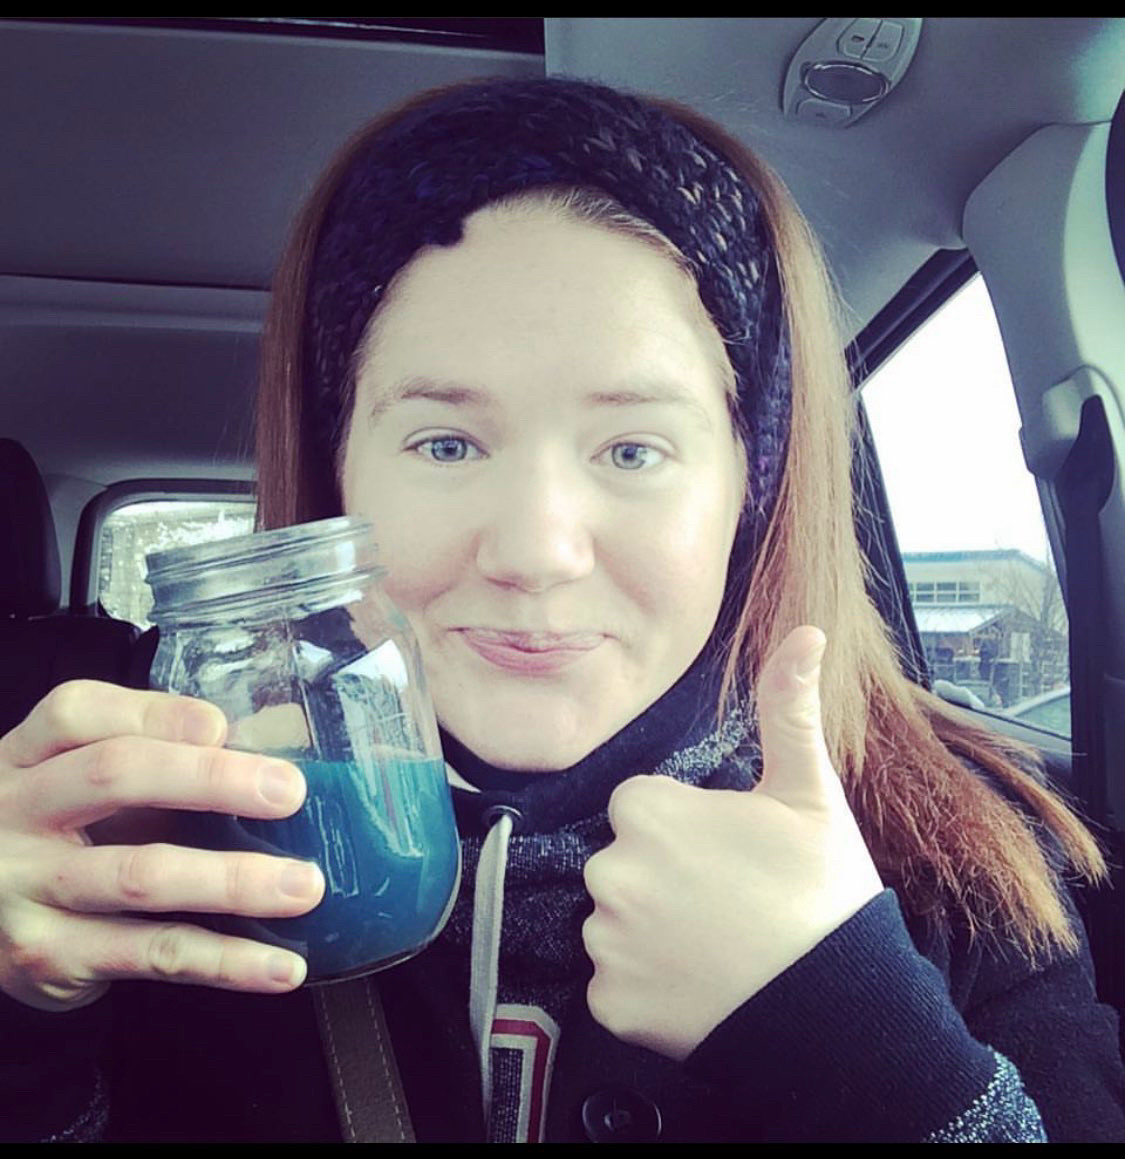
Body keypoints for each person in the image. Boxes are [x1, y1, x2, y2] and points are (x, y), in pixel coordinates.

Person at [1, 76, 1123, 1144]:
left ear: (751, 488)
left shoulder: (975, 864)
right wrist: (22, 1030)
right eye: (446, 441)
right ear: (341, 473)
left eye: (634, 447)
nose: (535, 553)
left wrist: (850, 1036)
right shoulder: (159, 851)